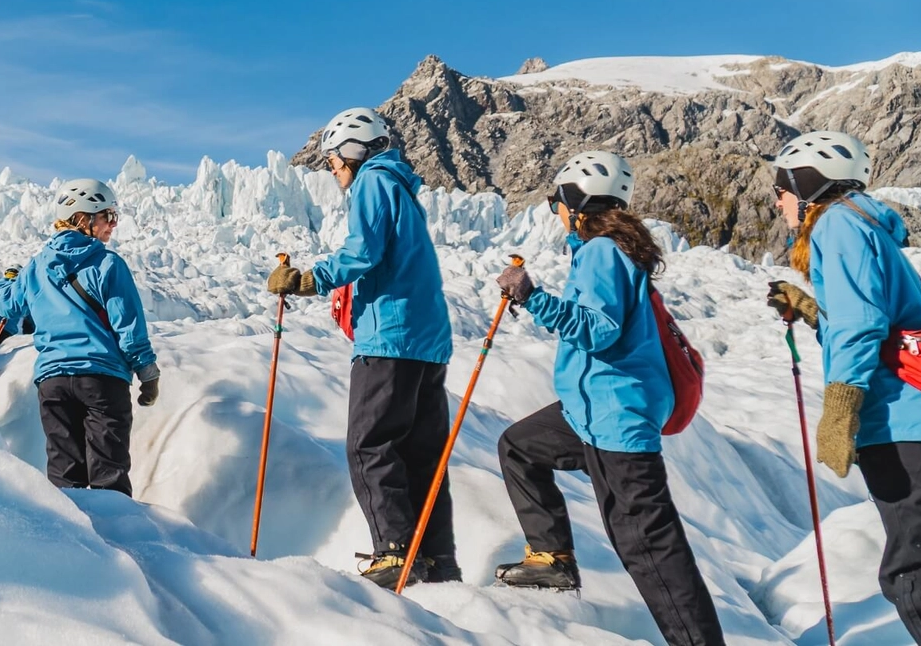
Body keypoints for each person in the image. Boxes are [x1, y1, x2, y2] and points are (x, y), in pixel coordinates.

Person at [492, 151, 723, 646]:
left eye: (557, 199)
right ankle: (552, 559)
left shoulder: (602, 252)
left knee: (649, 548)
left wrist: (532, 296)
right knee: (519, 446)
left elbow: (598, 329)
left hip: (616, 418)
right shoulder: (610, 250)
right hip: (590, 412)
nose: (554, 209)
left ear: (577, 202)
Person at [266, 107, 458, 589]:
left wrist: (309, 279)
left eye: (332, 161)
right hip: (427, 343)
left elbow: (362, 253)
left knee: (369, 444)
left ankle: (394, 552)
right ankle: (435, 560)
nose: (332, 171)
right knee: (420, 453)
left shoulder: (373, 182)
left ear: (352, 151)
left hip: (390, 338)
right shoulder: (402, 190)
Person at [765, 131, 921, 645]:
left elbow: (861, 323)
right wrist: (816, 312)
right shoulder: (864, 224)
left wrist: (840, 411)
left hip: (897, 422)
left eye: (782, 188)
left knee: (917, 573)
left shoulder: (836, 224)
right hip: (919, 415)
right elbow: (871, 320)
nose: (778, 201)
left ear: (809, 181)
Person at [0, 178, 158, 496]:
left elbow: (7, 306)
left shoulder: (35, 268)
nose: (113, 224)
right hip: (102, 380)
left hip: (53, 382)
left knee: (64, 477)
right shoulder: (107, 264)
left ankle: (70, 543)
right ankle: (115, 541)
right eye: (108, 216)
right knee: (108, 476)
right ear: (83, 219)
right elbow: (128, 325)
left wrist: (11, 279)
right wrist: (147, 373)